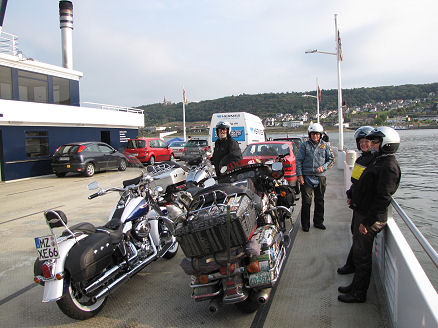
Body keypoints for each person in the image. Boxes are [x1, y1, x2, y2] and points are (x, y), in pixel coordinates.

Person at [338, 126, 401, 303]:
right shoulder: (378, 160)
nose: (371, 144)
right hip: (363, 213)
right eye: (371, 141)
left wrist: (367, 221)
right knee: (359, 254)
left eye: (376, 141)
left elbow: (383, 198)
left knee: (363, 257)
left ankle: (359, 293)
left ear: (387, 144)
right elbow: (362, 183)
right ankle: (355, 285)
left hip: (370, 218)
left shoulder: (388, 166)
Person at [337, 126, 375, 275]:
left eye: (367, 141)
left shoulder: (373, 160)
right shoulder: (361, 159)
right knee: (355, 234)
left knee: (360, 241)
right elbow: (356, 181)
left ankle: (352, 267)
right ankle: (351, 264)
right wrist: (350, 194)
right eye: (362, 142)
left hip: (366, 207)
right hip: (357, 205)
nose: (364, 144)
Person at [296, 123, 335, 232]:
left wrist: (324, 167)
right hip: (306, 176)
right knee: (306, 202)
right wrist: (300, 175)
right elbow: (298, 161)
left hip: (320, 177)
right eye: (313, 134)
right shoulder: (304, 146)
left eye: (317, 134)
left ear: (321, 135)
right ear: (310, 134)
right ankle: (305, 224)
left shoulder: (325, 146)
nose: (315, 136)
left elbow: (331, 159)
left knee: (319, 200)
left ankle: (318, 222)